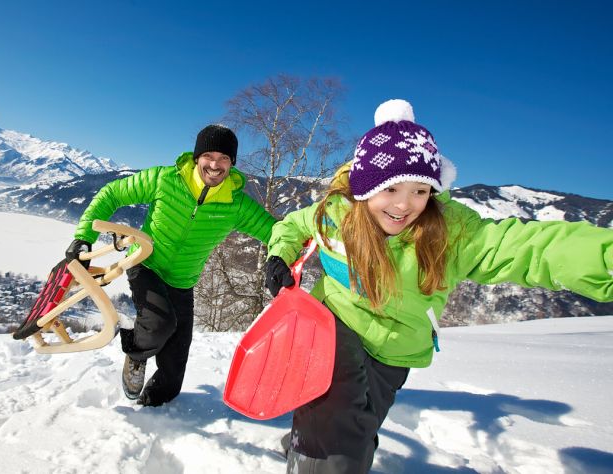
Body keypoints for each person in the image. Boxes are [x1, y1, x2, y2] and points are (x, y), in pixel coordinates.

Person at [264, 99, 613, 473]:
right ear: (365, 187)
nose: (404, 205)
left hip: (396, 347)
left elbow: (529, 248)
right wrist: (278, 255)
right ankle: (316, 450)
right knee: (337, 421)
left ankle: (306, 443)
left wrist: (604, 260)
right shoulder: (337, 212)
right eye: (392, 188)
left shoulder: (450, 232)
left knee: (357, 427)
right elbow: (293, 226)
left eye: (420, 190)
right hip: (335, 324)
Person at [68, 124, 276, 407]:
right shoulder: (165, 179)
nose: (215, 165)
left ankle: (155, 407)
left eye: (224, 158)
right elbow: (112, 194)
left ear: (232, 164)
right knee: (158, 324)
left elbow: (275, 231)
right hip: (146, 263)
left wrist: (309, 241)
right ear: (196, 157)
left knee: (175, 364)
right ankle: (136, 355)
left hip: (183, 280)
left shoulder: (235, 204)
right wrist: (83, 238)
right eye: (209, 156)